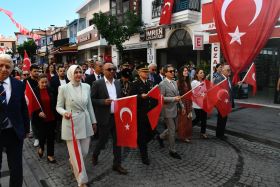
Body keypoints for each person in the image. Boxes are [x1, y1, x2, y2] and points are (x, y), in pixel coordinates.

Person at [56, 65, 97, 187]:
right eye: (76, 72)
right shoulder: (63, 88)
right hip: (71, 124)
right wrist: (64, 113)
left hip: (85, 122)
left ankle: (72, 161)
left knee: (84, 151)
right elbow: (58, 106)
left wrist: (94, 122)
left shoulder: (87, 86)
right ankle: (82, 181)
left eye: (80, 72)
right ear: (70, 74)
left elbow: (89, 106)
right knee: (77, 154)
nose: (79, 74)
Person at [91, 62, 128, 175]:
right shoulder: (97, 83)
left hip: (116, 116)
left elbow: (120, 97)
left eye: (113, 69)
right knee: (103, 140)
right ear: (103, 70)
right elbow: (91, 100)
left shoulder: (117, 82)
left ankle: (117, 164)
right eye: (109, 69)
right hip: (104, 117)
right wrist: (103, 102)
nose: (112, 71)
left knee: (118, 142)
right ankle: (95, 154)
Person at [0, 54, 29, 187]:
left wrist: (26, 129)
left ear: (12, 69)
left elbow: (23, 108)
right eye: (1, 65)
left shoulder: (18, 84)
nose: (4, 69)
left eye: (7, 66)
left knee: (16, 169)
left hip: (14, 133)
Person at [130, 63, 158, 165]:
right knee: (142, 135)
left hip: (150, 113)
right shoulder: (134, 84)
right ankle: (144, 156)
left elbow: (155, 95)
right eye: (144, 72)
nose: (146, 73)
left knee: (151, 133)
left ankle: (140, 144)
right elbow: (131, 98)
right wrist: (140, 96)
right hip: (140, 114)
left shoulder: (150, 83)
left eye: (147, 71)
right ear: (139, 73)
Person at [158, 64, 185, 159]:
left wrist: (182, 106)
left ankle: (160, 136)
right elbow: (161, 98)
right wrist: (174, 99)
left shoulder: (174, 82)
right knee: (172, 130)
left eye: (173, 71)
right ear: (165, 73)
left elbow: (178, 95)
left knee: (175, 128)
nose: (173, 72)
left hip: (175, 109)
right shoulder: (162, 84)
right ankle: (172, 150)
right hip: (167, 110)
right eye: (170, 71)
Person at [33, 74, 57, 163]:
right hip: (40, 120)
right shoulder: (34, 92)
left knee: (51, 137)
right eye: (42, 82)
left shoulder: (51, 90)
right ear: (38, 82)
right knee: (42, 136)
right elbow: (31, 106)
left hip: (51, 117)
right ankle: (41, 147)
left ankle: (50, 155)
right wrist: (38, 112)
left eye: (46, 82)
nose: (44, 84)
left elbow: (55, 102)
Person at [214, 65, 234, 140]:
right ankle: (219, 134)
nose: (229, 71)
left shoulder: (228, 79)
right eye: (228, 70)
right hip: (221, 103)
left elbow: (229, 90)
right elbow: (216, 91)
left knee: (224, 119)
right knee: (221, 119)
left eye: (230, 70)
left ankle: (221, 133)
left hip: (226, 103)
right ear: (223, 71)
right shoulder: (219, 79)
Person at [50, 65, 69, 142]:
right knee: (58, 121)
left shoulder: (68, 80)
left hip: (67, 103)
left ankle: (67, 136)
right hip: (58, 103)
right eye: (60, 71)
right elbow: (52, 93)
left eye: (63, 71)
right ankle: (58, 137)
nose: (62, 73)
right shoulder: (53, 80)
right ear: (57, 72)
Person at [24, 64, 40, 146]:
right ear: (30, 72)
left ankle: (42, 136)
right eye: (35, 71)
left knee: (41, 121)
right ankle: (36, 138)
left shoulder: (40, 79)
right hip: (32, 104)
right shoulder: (26, 81)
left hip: (41, 103)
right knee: (34, 121)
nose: (37, 73)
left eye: (38, 71)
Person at [191, 68, 209, 139]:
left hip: (204, 103)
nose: (202, 74)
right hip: (197, 104)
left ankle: (203, 132)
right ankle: (189, 127)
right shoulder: (194, 82)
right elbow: (194, 92)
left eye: (203, 72)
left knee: (204, 118)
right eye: (201, 73)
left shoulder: (204, 82)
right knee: (198, 118)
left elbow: (206, 91)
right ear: (197, 74)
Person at [177, 65, 192, 142]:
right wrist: (181, 106)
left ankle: (186, 135)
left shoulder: (188, 82)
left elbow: (190, 94)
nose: (186, 72)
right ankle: (182, 136)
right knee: (183, 120)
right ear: (181, 72)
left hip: (188, 102)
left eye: (187, 71)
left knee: (188, 119)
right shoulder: (178, 82)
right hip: (182, 103)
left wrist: (191, 105)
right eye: (184, 71)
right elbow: (177, 95)